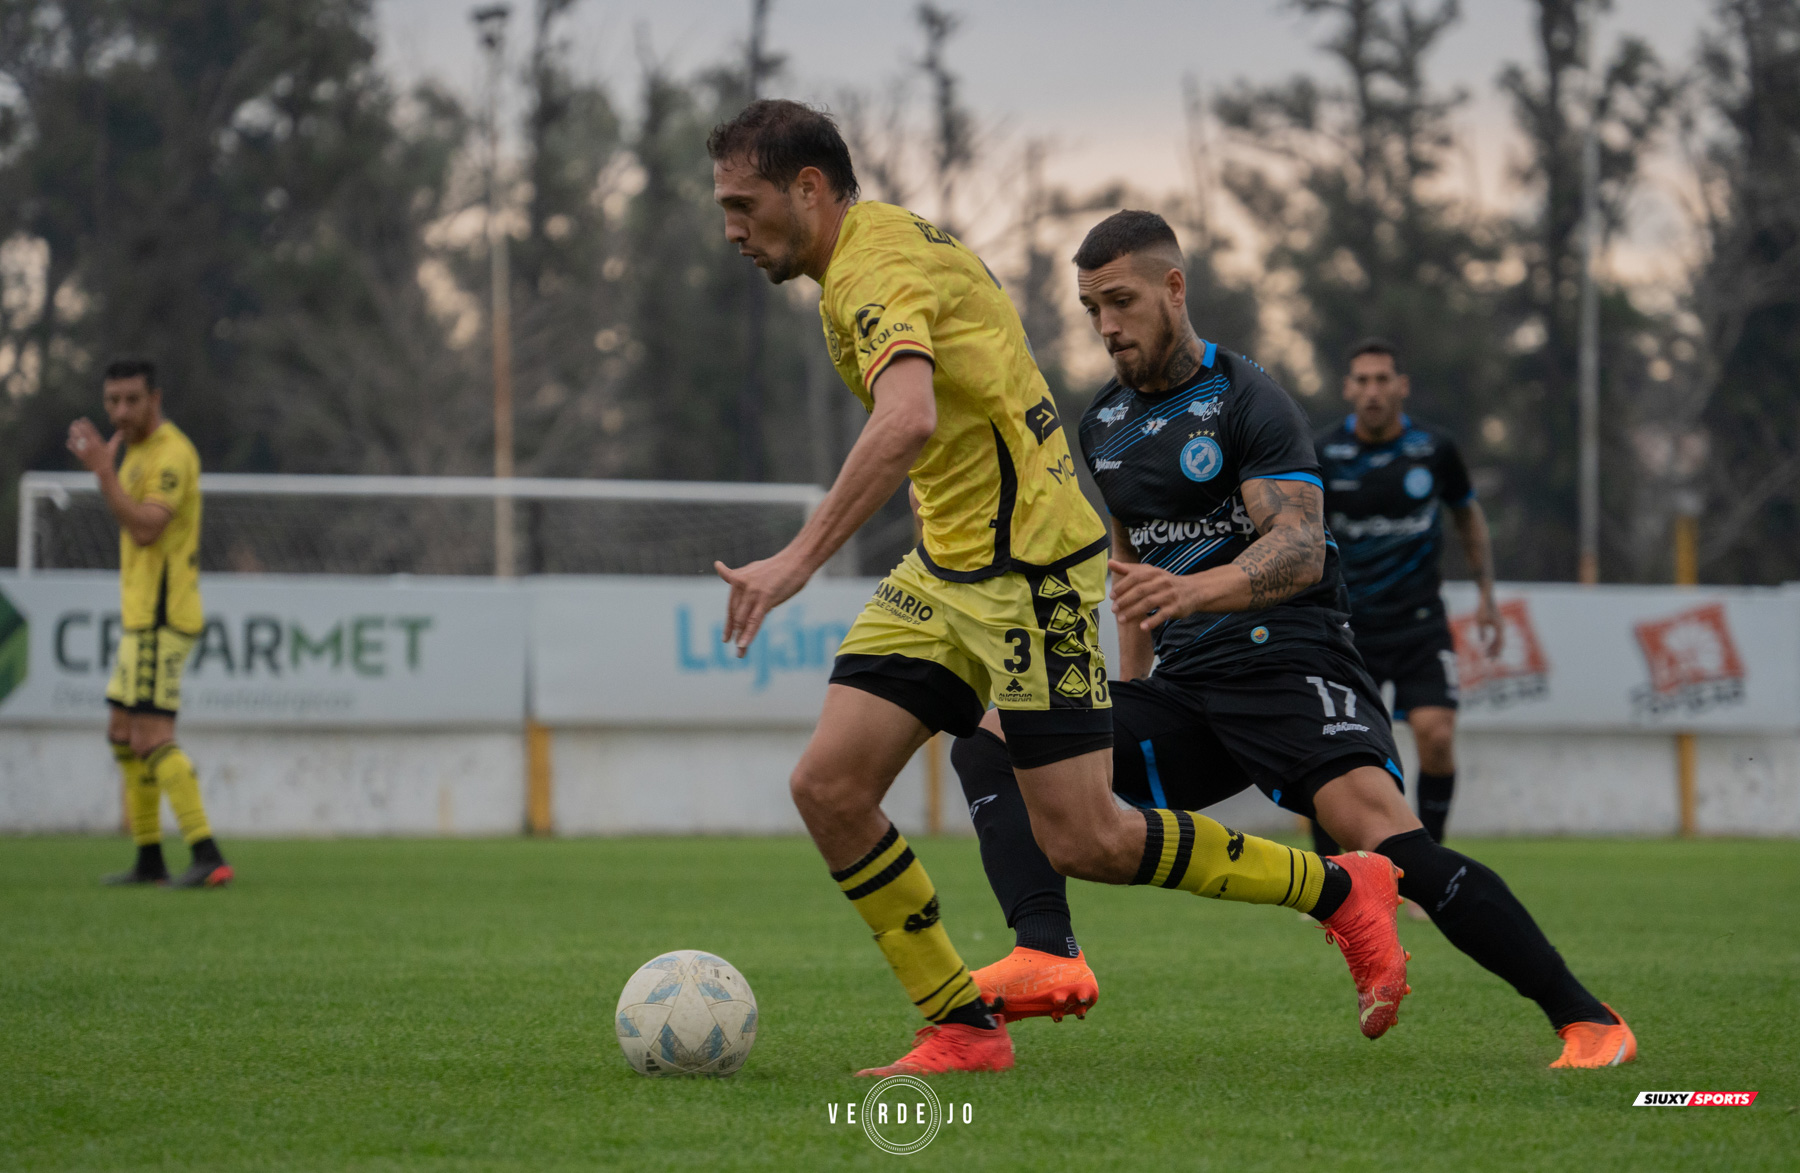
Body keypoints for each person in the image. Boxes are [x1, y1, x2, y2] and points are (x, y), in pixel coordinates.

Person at [708, 103, 1408, 1077]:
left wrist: (797, 559)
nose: (732, 229)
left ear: (810, 188)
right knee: (828, 788)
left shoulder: (875, 268)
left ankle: (1339, 891)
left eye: (743, 204)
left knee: (1089, 839)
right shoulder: (869, 254)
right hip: (947, 568)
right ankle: (961, 1026)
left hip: (1029, 571)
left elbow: (907, 418)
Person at [953, 210, 1637, 1070]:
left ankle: (1589, 1019)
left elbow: (1300, 547)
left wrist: (1194, 589)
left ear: (1174, 288)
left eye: (1121, 301)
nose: (1106, 325)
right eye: (1092, 308)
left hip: (1288, 658)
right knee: (994, 737)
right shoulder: (1102, 426)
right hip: (1187, 686)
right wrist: (1134, 686)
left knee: (1394, 844)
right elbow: (1133, 580)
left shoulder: (1247, 397)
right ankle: (1046, 949)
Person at [1312, 339, 1498, 857]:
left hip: (1420, 624)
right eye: (1363, 380)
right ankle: (1333, 874)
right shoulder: (1323, 453)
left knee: (1436, 737)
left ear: (1402, 387)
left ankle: (1427, 872)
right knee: (1338, 755)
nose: (1372, 390)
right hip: (1348, 630)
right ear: (1348, 388)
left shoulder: (1434, 449)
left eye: (1382, 379)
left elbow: (1467, 516)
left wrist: (1487, 594)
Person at [68, 358, 232, 890]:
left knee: (152, 736)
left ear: (154, 399)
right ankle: (149, 858)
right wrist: (110, 471)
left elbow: (145, 529)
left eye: (131, 400)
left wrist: (103, 474)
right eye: (111, 400)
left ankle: (207, 854)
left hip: (165, 617)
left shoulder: (172, 454)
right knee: (122, 734)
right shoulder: (133, 452)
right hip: (140, 619)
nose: (120, 411)